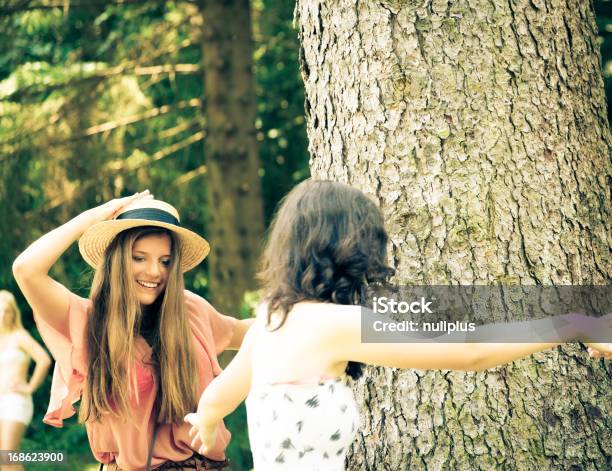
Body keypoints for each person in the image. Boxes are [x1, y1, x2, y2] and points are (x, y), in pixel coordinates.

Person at [184, 179, 612, 471]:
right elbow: (471, 349)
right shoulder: (333, 325)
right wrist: (571, 323)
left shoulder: (269, 323)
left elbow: (215, 401)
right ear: (352, 248)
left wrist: (205, 425)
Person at [12, 191, 252, 470]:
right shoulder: (88, 321)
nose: (154, 271)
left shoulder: (190, 310)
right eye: (139, 258)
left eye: (165, 261)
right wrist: (97, 216)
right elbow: (26, 269)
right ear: (117, 258)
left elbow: (252, 333)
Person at [0, 290, 51, 471]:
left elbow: (44, 360)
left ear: (13, 313)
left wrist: (30, 387)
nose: (2, 315)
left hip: (15, 401)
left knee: (7, 456)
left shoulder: (19, 336)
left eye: (6, 310)